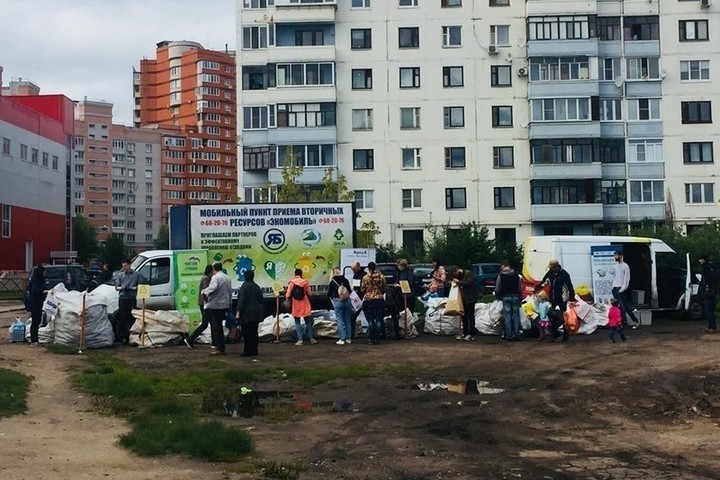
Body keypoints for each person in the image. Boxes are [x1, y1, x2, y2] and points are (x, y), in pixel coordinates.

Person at [539, 259, 575, 341]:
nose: (550, 269)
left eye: (552, 268)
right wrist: (538, 287)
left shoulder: (565, 274)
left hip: (562, 299)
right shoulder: (550, 273)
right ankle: (553, 334)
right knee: (551, 316)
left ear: (556, 267)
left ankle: (566, 335)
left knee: (563, 318)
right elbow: (544, 280)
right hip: (553, 298)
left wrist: (572, 298)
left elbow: (570, 286)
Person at [202, 262, 232, 355]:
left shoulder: (216, 277)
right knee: (219, 326)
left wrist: (204, 292)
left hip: (215, 305)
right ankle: (221, 346)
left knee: (216, 327)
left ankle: (220, 347)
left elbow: (213, 287)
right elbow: (229, 291)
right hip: (224, 305)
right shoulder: (227, 277)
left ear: (214, 269)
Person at [235, 269, 264, 356]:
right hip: (257, 313)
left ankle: (247, 351)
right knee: (254, 332)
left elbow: (241, 301)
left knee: (247, 333)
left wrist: (238, 312)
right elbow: (261, 300)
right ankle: (254, 350)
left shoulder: (244, 287)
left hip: (247, 314)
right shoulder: (257, 287)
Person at [184, 264, 213, 349]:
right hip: (204, 304)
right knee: (204, 324)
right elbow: (205, 292)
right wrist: (207, 303)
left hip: (203, 303)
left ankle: (215, 342)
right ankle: (190, 339)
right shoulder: (206, 279)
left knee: (209, 322)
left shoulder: (205, 277)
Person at [114, 258, 141, 344]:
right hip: (122, 298)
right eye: (123, 266)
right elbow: (116, 287)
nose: (124, 268)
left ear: (129, 265)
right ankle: (123, 337)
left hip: (132, 298)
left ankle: (132, 337)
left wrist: (134, 288)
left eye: (125, 266)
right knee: (122, 318)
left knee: (132, 317)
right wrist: (122, 288)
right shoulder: (120, 275)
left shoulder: (136, 275)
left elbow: (140, 285)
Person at [611, 250, 640, 329]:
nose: (615, 257)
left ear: (621, 256)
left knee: (624, 306)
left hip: (621, 288)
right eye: (615, 256)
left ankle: (635, 320)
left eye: (616, 256)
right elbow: (614, 277)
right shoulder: (615, 266)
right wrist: (613, 287)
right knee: (618, 307)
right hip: (615, 288)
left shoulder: (625, 266)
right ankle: (622, 323)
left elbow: (627, 279)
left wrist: (623, 288)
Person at [495, 261, 523, 341]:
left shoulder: (501, 276)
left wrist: (498, 297)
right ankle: (517, 334)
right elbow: (519, 287)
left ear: (504, 266)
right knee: (516, 316)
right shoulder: (516, 275)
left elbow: (497, 288)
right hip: (515, 296)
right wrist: (520, 297)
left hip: (505, 297)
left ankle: (509, 335)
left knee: (507, 316)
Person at [286, 268, 315, 345]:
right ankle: (311, 338)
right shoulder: (305, 282)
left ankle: (300, 339)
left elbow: (288, 294)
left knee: (297, 322)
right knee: (308, 322)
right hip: (305, 302)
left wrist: (287, 298)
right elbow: (309, 293)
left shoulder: (291, 283)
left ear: (295, 274)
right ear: (301, 274)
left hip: (296, 303)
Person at [361, 261, 387, 345]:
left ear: (368, 268)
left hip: (368, 300)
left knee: (371, 320)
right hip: (379, 299)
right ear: (375, 267)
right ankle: (377, 339)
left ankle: (371, 338)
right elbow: (384, 288)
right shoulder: (381, 277)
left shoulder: (365, 277)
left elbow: (362, 289)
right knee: (379, 319)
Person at [328, 266, 353, 345]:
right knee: (347, 320)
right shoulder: (345, 280)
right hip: (347, 301)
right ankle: (349, 338)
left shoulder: (332, 282)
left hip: (337, 301)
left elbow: (329, 294)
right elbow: (349, 290)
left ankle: (342, 339)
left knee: (340, 320)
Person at [26, 264, 46, 346]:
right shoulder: (36, 281)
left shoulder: (38, 280)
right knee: (35, 322)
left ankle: (35, 339)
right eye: (44, 272)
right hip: (35, 305)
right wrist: (42, 292)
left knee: (36, 322)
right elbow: (35, 291)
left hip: (36, 304)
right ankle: (34, 340)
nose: (45, 274)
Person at [698, 254, 717, 334]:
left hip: (709, 291)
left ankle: (712, 326)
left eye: (700, 259)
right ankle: (710, 326)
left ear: (704, 259)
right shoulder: (707, 267)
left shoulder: (708, 268)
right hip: (708, 291)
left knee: (709, 309)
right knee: (707, 309)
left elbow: (711, 279)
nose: (699, 261)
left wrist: (708, 286)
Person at [458, 268, 479, 341]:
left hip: (470, 298)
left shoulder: (468, 273)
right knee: (464, 315)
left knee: (470, 316)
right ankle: (465, 332)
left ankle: (471, 333)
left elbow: (468, 283)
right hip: (464, 298)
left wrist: (459, 282)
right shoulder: (461, 276)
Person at [349, 261, 366, 339]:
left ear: (359, 267)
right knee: (352, 316)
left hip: (363, 298)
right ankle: (351, 334)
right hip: (358, 299)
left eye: (354, 269)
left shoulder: (364, 275)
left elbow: (359, 288)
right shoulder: (356, 275)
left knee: (368, 317)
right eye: (352, 269)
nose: (353, 271)